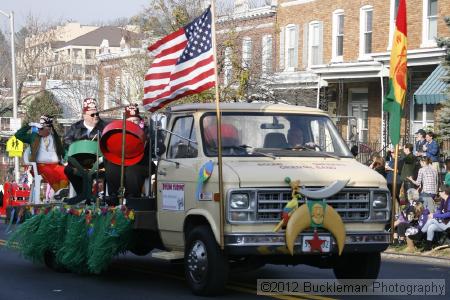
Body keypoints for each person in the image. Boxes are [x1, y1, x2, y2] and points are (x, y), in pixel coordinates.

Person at [104, 104, 165, 198]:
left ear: (139, 120)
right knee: (112, 167)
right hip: (123, 162)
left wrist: (148, 141)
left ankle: (132, 197)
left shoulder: (148, 131)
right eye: (130, 120)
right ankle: (113, 196)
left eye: (135, 120)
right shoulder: (119, 132)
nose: (133, 122)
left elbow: (157, 150)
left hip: (143, 163)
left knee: (132, 171)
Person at [14, 115, 69, 198]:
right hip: (40, 166)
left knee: (66, 171)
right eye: (40, 128)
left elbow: (64, 152)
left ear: (50, 129)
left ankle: (61, 192)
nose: (41, 130)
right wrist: (29, 125)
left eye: (45, 128)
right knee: (49, 171)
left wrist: (67, 159)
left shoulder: (55, 138)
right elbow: (18, 135)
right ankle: (58, 192)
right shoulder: (34, 136)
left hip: (56, 165)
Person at [63, 98, 107, 201]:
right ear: (84, 115)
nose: (96, 116)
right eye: (92, 114)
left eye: (97, 114)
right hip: (79, 162)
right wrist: (81, 144)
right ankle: (82, 195)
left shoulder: (104, 126)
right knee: (68, 170)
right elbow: (66, 140)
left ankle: (94, 197)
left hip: (99, 162)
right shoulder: (76, 127)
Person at [413, 185, 450, 251]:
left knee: (431, 220)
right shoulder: (443, 200)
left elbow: (448, 214)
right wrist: (433, 214)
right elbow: (439, 211)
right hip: (444, 222)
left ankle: (419, 235)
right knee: (431, 227)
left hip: (448, 224)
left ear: (444, 192)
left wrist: (434, 216)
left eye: (439, 191)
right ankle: (428, 246)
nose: (438, 193)